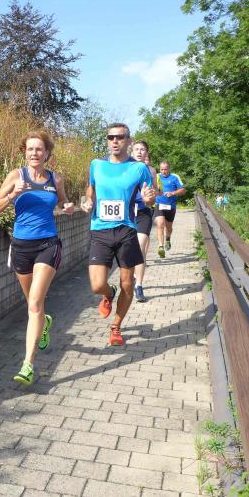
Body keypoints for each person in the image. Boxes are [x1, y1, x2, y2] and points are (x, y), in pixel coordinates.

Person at [0, 130, 74, 385]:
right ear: (24, 152)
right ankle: (44, 322)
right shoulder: (16, 176)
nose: (34, 153)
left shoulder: (55, 178)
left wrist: (68, 207)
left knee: (35, 303)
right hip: (21, 246)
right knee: (33, 305)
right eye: (30, 149)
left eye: (39, 149)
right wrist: (12, 195)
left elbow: (63, 202)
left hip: (48, 244)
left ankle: (28, 365)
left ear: (47, 153)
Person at [81, 123, 155, 346]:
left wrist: (149, 198)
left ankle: (116, 326)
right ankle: (108, 293)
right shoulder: (96, 165)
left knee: (128, 284)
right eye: (111, 137)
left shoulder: (139, 168)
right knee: (97, 285)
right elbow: (91, 188)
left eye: (120, 137)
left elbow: (150, 197)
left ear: (128, 140)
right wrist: (88, 200)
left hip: (127, 230)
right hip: (100, 229)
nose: (115, 141)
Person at [130, 141, 157, 302]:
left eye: (142, 150)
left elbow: (154, 193)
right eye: (137, 149)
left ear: (146, 153)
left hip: (143, 211)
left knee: (140, 248)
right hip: (126, 213)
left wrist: (149, 198)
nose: (139, 152)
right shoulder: (124, 168)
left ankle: (139, 285)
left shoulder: (149, 171)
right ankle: (131, 276)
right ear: (131, 152)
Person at [154, 161, 186, 258]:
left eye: (165, 169)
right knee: (160, 224)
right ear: (159, 169)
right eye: (162, 169)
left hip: (170, 206)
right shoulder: (156, 176)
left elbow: (183, 189)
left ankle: (168, 239)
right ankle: (160, 247)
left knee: (169, 228)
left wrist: (173, 193)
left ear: (169, 169)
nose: (164, 171)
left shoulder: (174, 177)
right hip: (159, 204)